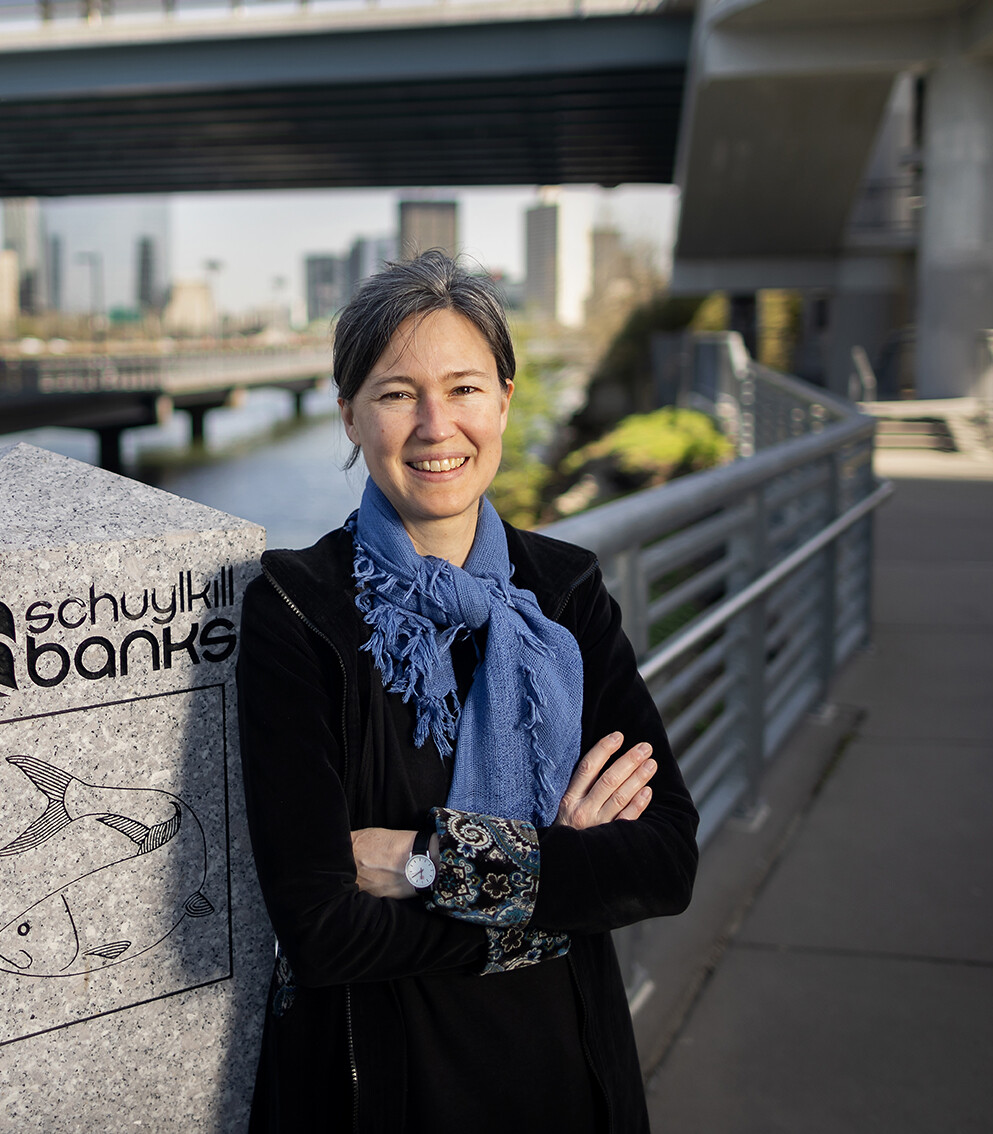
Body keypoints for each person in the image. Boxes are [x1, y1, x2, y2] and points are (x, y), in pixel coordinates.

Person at [235, 250, 698, 1133]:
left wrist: (425, 863)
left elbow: (665, 860)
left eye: (464, 388)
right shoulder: (298, 611)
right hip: (385, 1087)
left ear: (506, 400)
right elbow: (323, 930)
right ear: (349, 415)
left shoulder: (565, 594)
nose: (435, 426)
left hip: (569, 1071)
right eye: (396, 393)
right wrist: (561, 877)